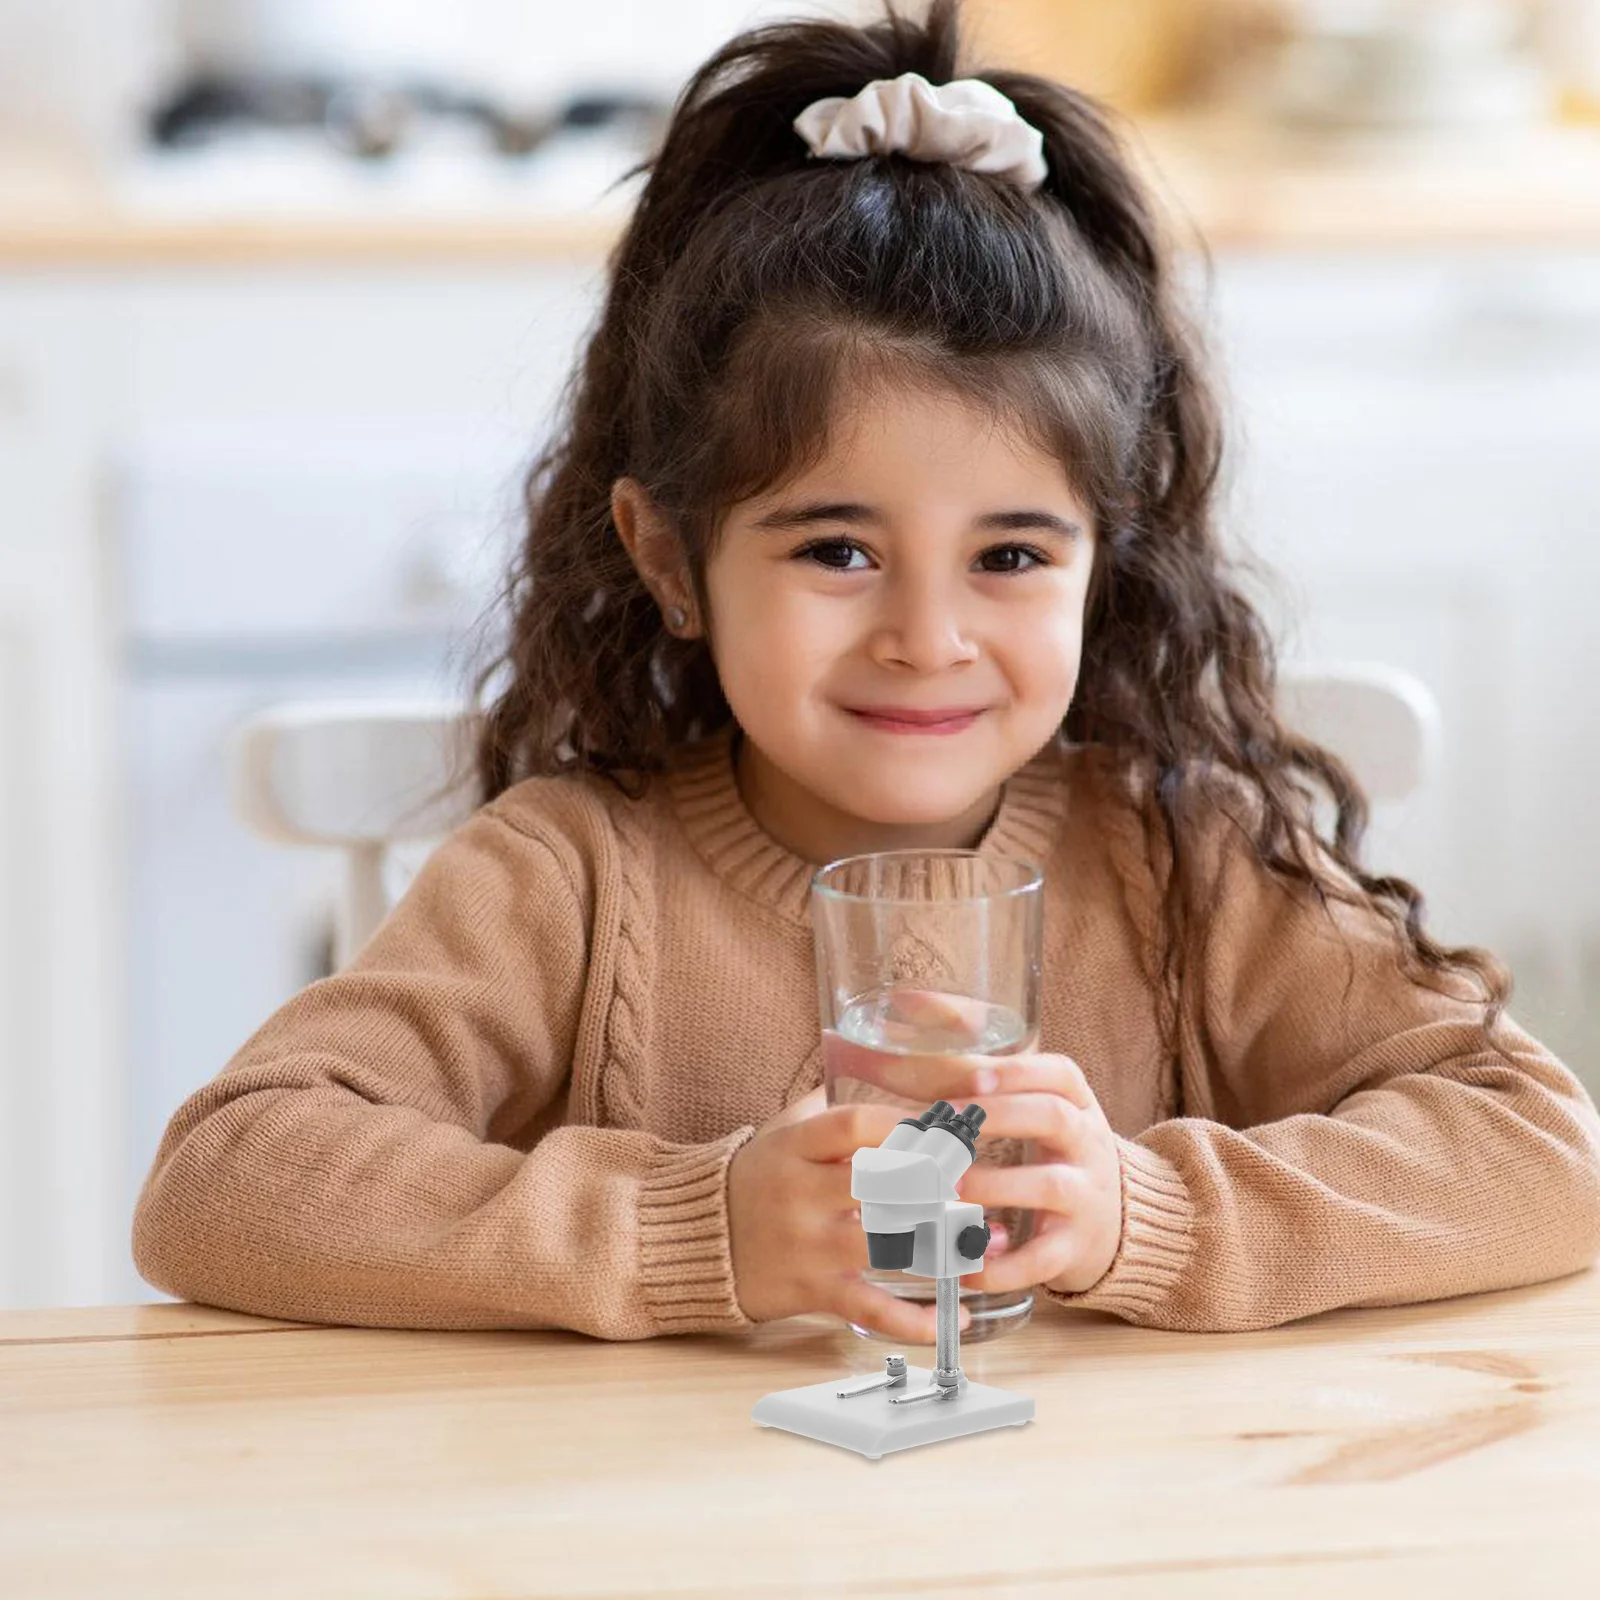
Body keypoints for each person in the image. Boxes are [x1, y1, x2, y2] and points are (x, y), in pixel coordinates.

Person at [132, 0, 1600, 1345]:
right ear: (668, 558)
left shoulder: (1189, 860)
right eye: (838, 549)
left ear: (1110, 559)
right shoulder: (564, 881)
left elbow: (1542, 1152)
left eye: (1011, 557)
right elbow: (224, 1181)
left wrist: (1144, 1213)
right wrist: (685, 1230)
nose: (927, 635)